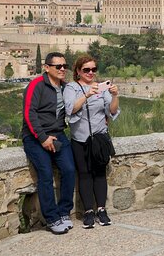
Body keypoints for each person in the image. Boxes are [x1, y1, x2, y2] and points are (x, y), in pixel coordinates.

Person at [21, 52, 75, 235]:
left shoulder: (65, 87)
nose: (62, 70)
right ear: (47, 68)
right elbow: (29, 114)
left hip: (58, 134)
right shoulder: (36, 85)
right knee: (45, 174)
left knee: (68, 170)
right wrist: (43, 138)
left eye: (64, 66)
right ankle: (52, 218)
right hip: (35, 137)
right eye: (57, 66)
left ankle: (64, 212)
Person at [63, 55, 120, 228]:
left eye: (93, 69)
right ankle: (88, 211)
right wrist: (87, 94)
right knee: (85, 174)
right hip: (80, 139)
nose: (90, 73)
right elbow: (70, 108)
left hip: (99, 138)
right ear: (78, 71)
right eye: (86, 70)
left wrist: (115, 95)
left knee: (99, 174)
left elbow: (112, 111)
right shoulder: (71, 88)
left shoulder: (102, 88)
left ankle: (101, 210)